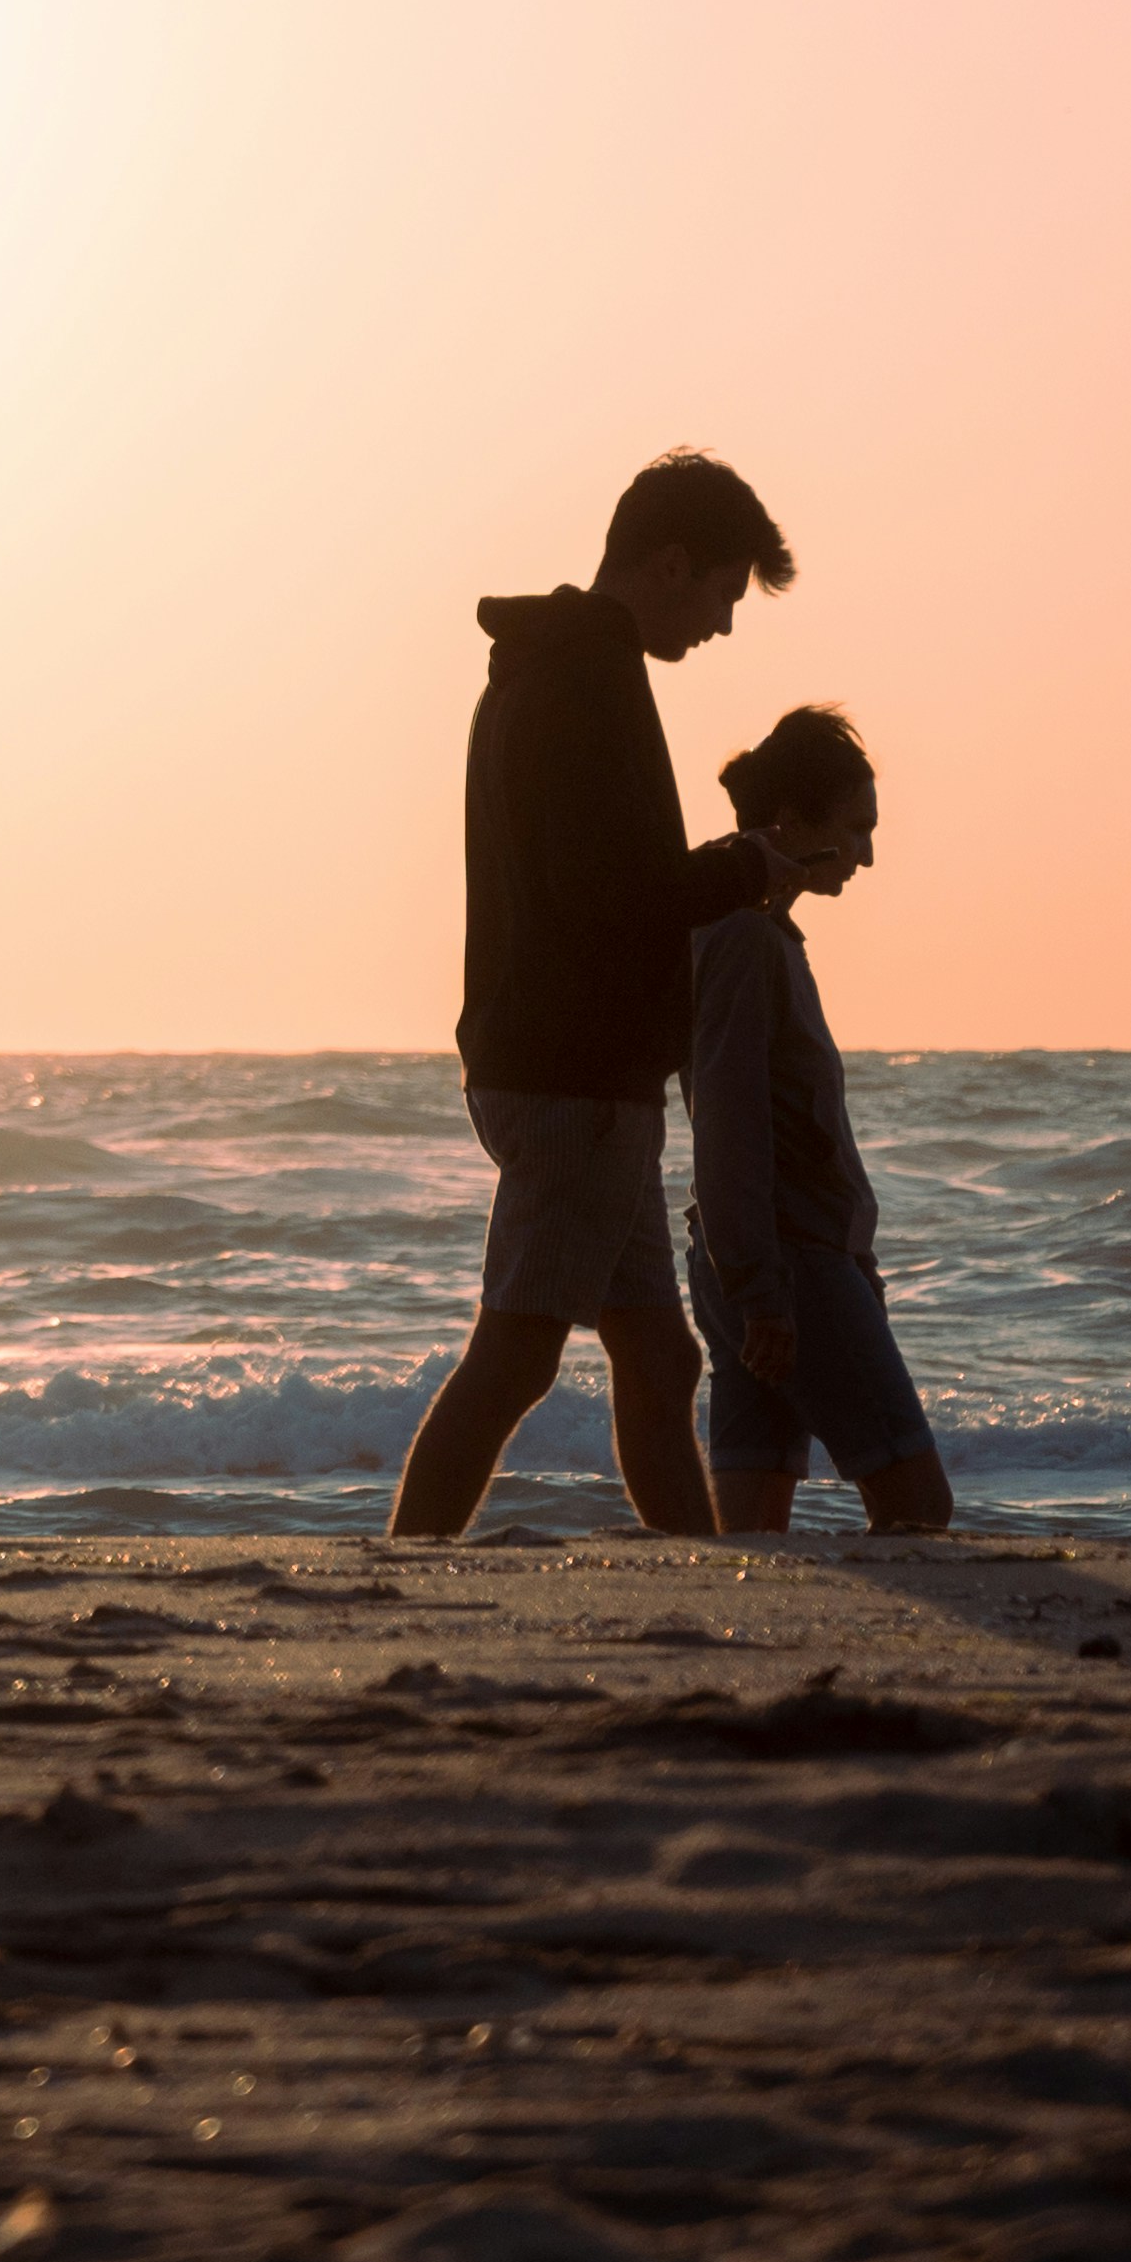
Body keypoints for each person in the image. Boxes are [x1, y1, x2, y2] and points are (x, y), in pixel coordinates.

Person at [387, 452, 807, 1538]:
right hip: (575, 1077)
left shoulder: (543, 662)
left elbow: (591, 882)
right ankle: (402, 1566)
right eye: (721, 592)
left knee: (658, 1354)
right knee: (515, 1357)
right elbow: (614, 892)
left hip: (566, 1062)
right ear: (669, 563)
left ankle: (697, 1565)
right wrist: (746, 864)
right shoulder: (590, 679)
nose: (722, 624)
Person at [683, 705, 952, 1534]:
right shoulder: (746, 942)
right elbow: (727, 1125)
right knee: (917, 1507)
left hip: (762, 1263)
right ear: (791, 821)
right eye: (855, 827)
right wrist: (766, 1292)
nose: (867, 853)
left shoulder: (760, 935)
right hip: (784, 1267)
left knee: (754, 1532)